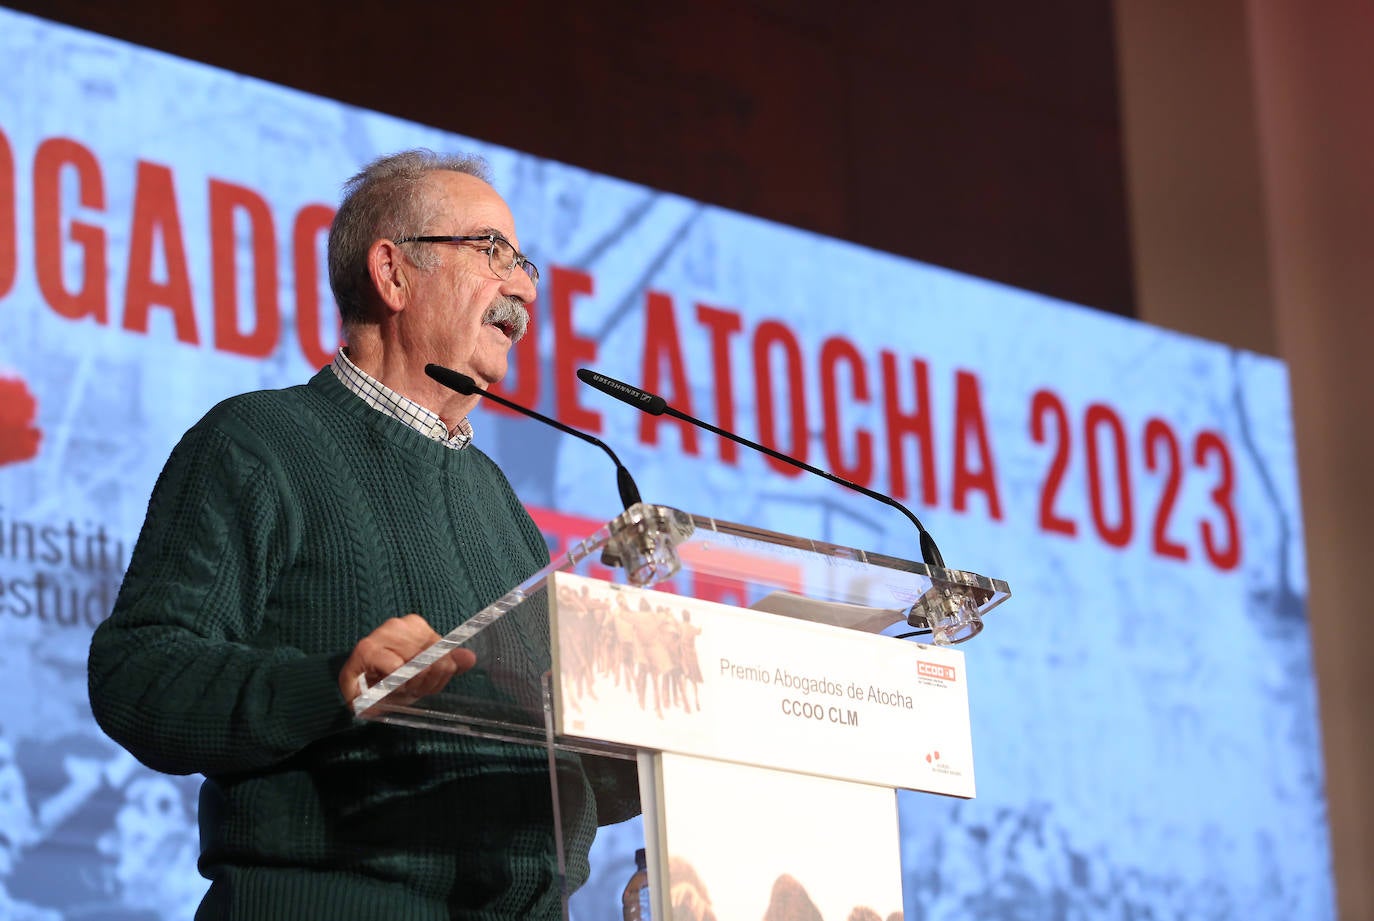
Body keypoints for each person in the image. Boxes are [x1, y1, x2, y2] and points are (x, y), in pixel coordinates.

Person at [87, 149, 637, 920]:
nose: (522, 286)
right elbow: (138, 674)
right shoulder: (260, 442)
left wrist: (645, 750)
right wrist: (332, 685)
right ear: (393, 273)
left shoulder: (502, 507)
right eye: (491, 251)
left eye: (525, 264)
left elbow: (540, 758)